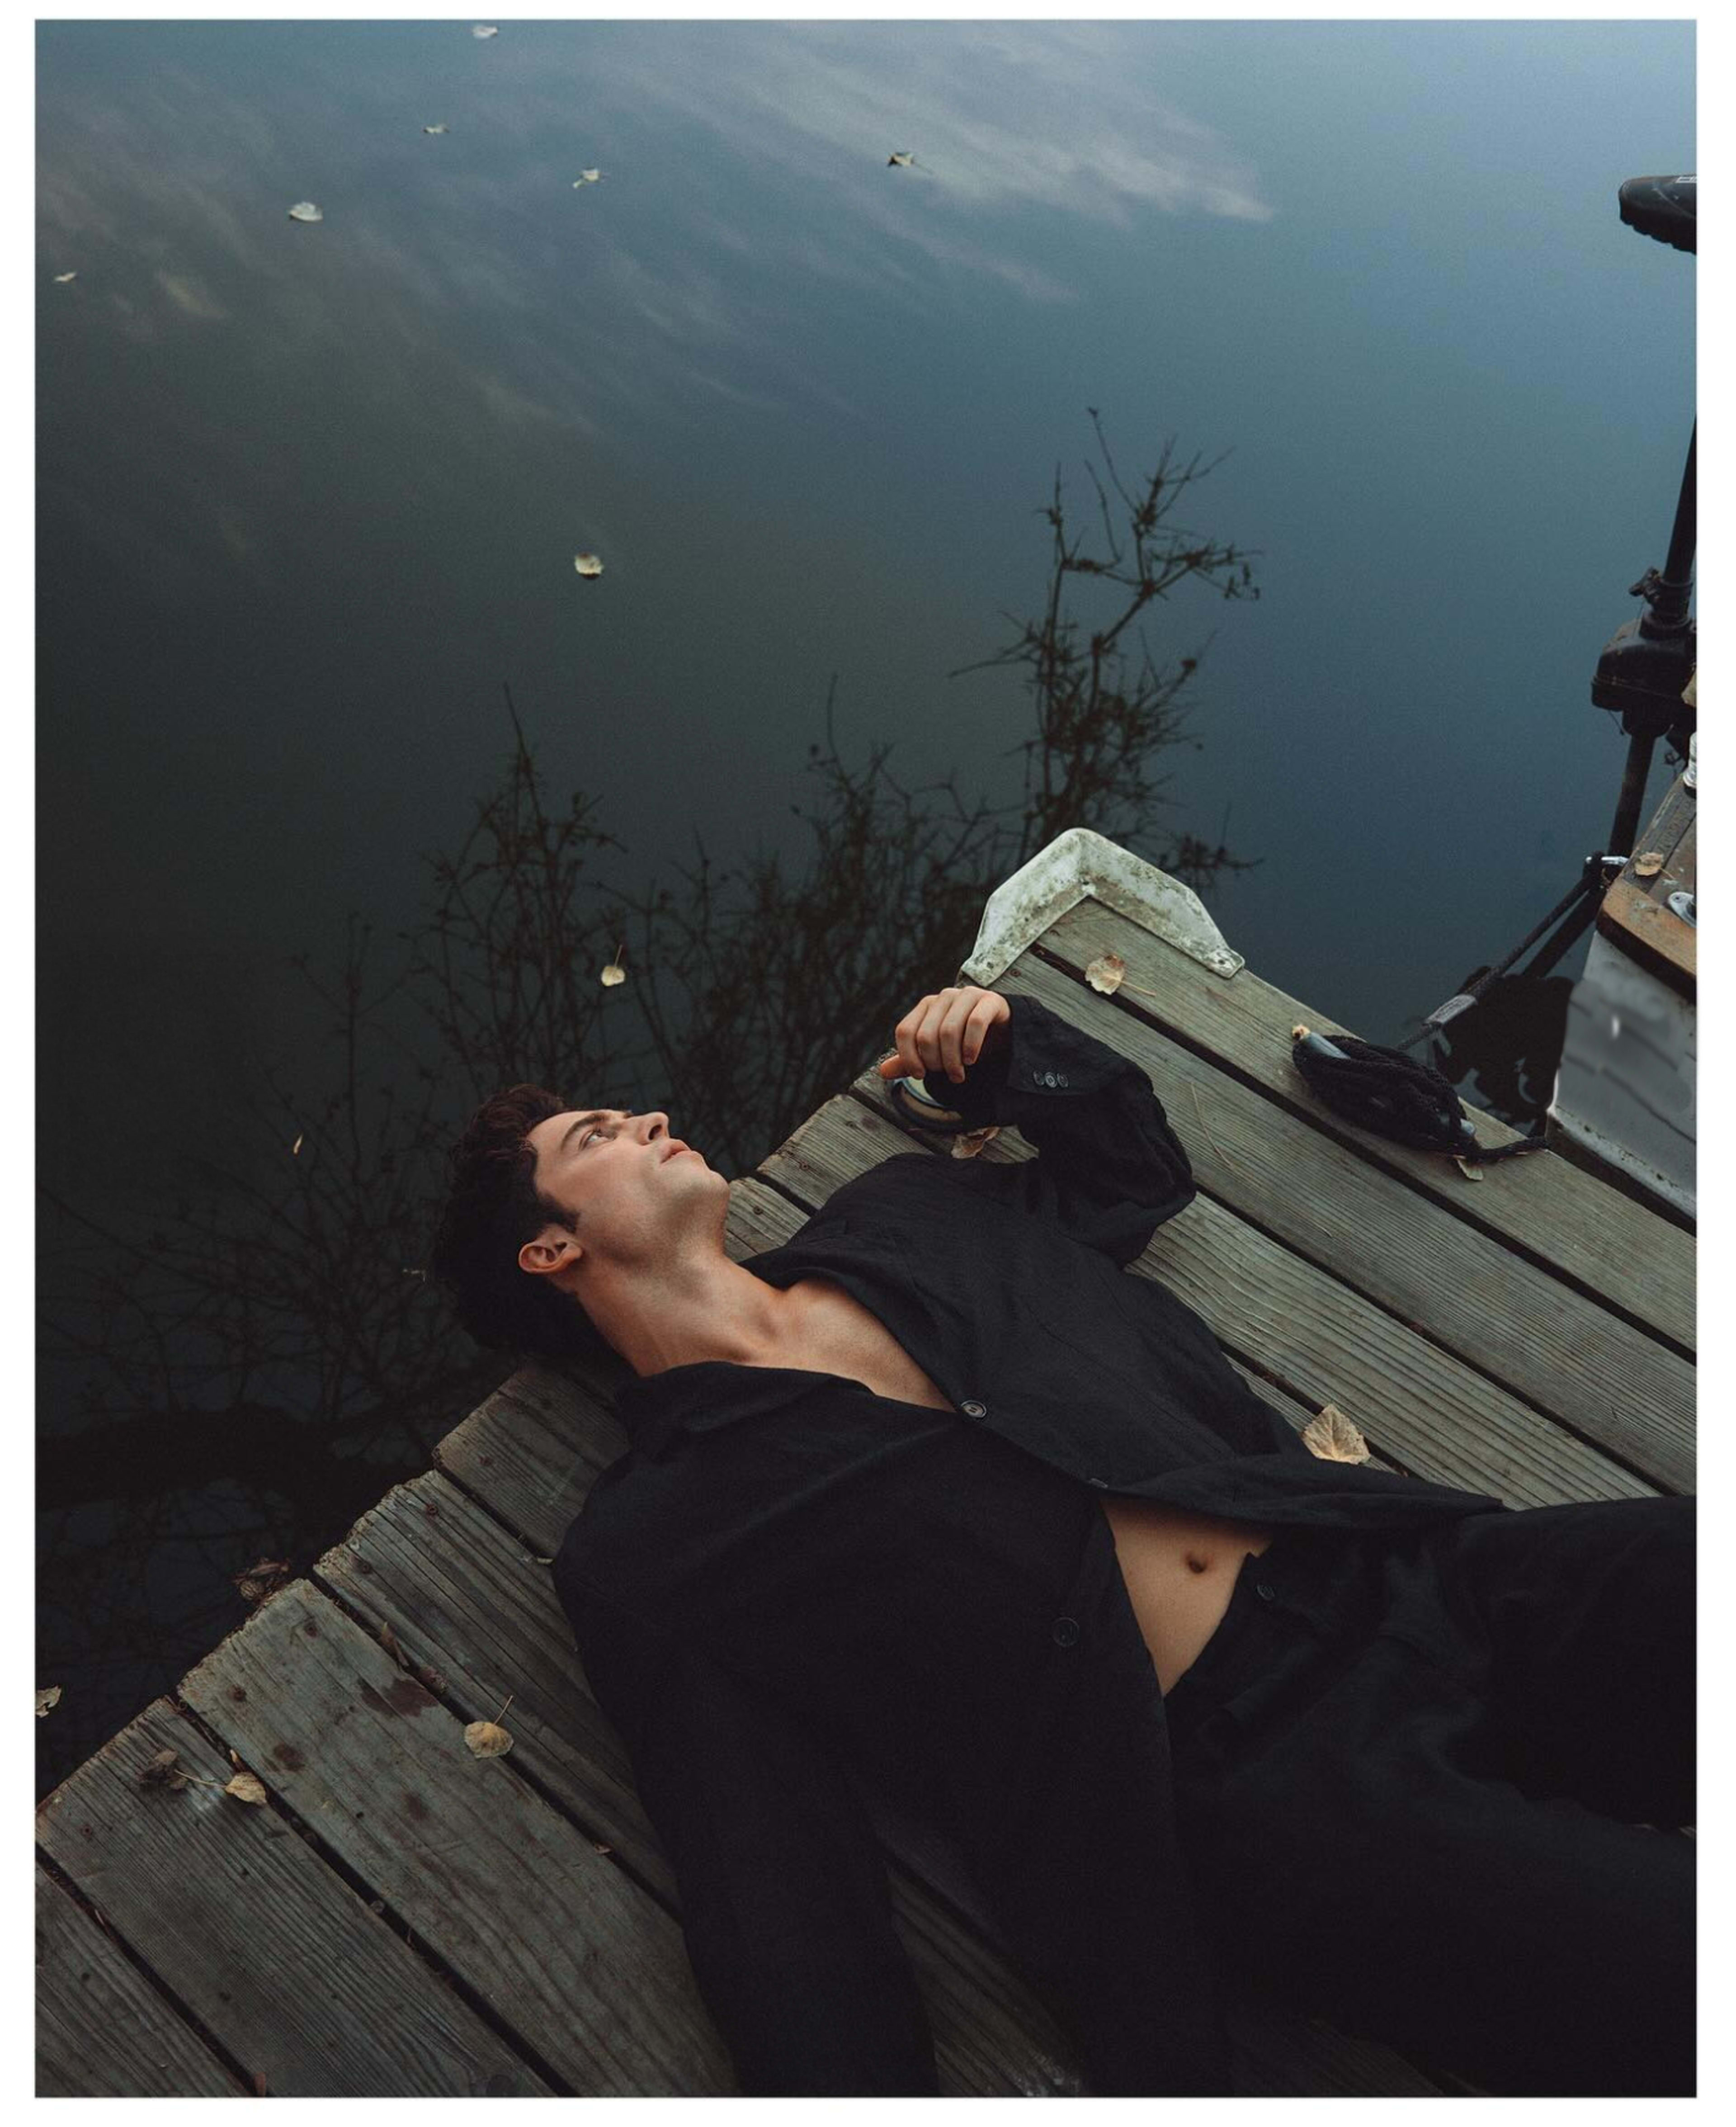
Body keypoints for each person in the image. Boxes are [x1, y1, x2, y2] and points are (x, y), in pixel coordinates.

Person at [428, 983, 1694, 2097]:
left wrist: (1006, 1050)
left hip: (1401, 1569)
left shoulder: (906, 1216)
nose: (648, 1118)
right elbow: (771, 1884)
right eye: (597, 1137)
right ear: (552, 1248)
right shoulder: (652, 1549)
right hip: (1274, 1785)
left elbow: (1134, 1174)